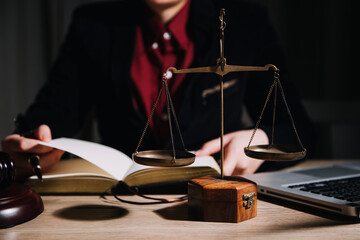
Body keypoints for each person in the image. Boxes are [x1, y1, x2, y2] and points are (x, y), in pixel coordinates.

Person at [1, 0, 315, 181]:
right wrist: (37, 141)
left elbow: (299, 129)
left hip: (211, 195)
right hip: (120, 202)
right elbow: (55, 109)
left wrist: (261, 141)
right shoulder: (94, 25)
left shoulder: (244, 21)